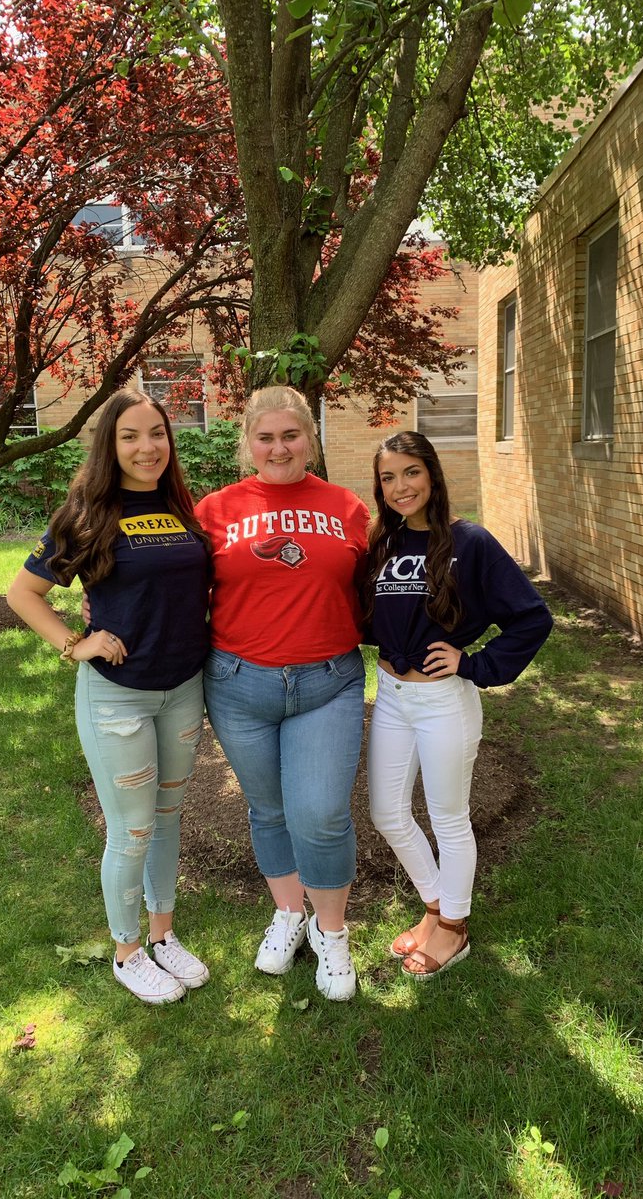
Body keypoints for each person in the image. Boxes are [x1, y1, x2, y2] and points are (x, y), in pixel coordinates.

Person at [7, 389, 212, 1005]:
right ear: (110, 445)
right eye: (130, 436)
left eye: (157, 433)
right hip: (118, 698)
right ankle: (126, 952)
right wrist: (76, 642)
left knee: (169, 821)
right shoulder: (86, 513)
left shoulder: (181, 508)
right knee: (133, 830)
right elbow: (22, 595)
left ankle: (163, 935)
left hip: (182, 689)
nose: (147, 447)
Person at [195, 386, 369, 1001]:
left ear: (311, 439)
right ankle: (289, 913)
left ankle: (332, 932)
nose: (278, 447)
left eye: (290, 435)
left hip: (328, 682)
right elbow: (170, 583)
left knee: (319, 814)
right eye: (265, 437)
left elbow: (381, 586)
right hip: (239, 685)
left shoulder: (346, 507)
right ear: (247, 443)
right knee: (268, 810)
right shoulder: (214, 510)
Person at [363, 431, 553, 980]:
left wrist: (472, 663)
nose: (401, 486)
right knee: (387, 813)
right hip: (393, 696)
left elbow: (531, 618)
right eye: (388, 477)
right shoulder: (383, 542)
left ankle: (454, 927)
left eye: (411, 473)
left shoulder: (468, 542)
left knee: (448, 818)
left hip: (444, 700)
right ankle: (436, 909)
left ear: (432, 475)